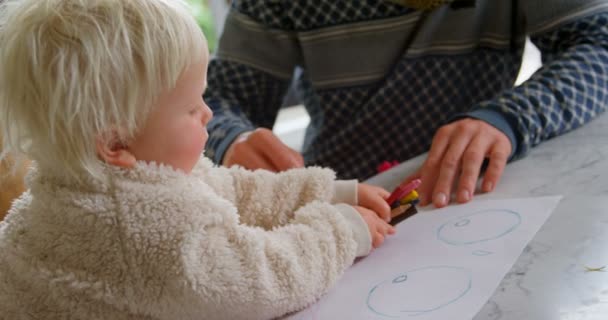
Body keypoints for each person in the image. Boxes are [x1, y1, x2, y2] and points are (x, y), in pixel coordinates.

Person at [0, 0, 395, 318]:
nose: (208, 113)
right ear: (115, 141)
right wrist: (338, 230)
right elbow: (258, 283)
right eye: (191, 107)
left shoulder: (121, 174)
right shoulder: (136, 223)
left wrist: (328, 193)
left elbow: (234, 189)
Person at [204, 0, 608, 208]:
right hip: (346, 197)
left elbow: (598, 44)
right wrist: (231, 140)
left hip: (483, 195)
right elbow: (219, 101)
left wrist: (512, 117)